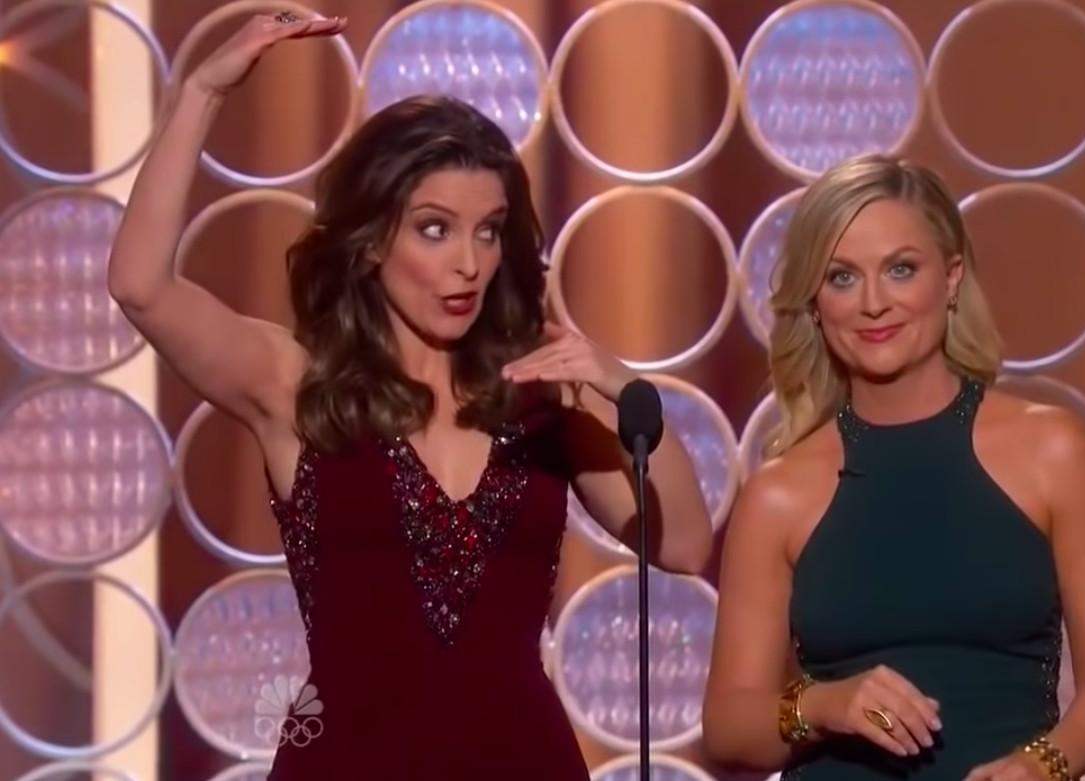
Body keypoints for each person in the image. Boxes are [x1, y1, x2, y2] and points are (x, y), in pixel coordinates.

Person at [107, 13, 713, 779]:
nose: (469, 263)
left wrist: (623, 387)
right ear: (370, 241)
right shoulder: (298, 386)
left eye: (488, 232)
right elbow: (141, 286)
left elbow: (685, 544)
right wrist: (201, 91)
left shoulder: (540, 396)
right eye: (435, 229)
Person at [702, 155, 1085, 781]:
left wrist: (1040, 767)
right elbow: (728, 727)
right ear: (816, 304)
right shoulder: (778, 494)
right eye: (842, 277)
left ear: (952, 277)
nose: (874, 303)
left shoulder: (1051, 449)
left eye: (901, 269)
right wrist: (824, 705)